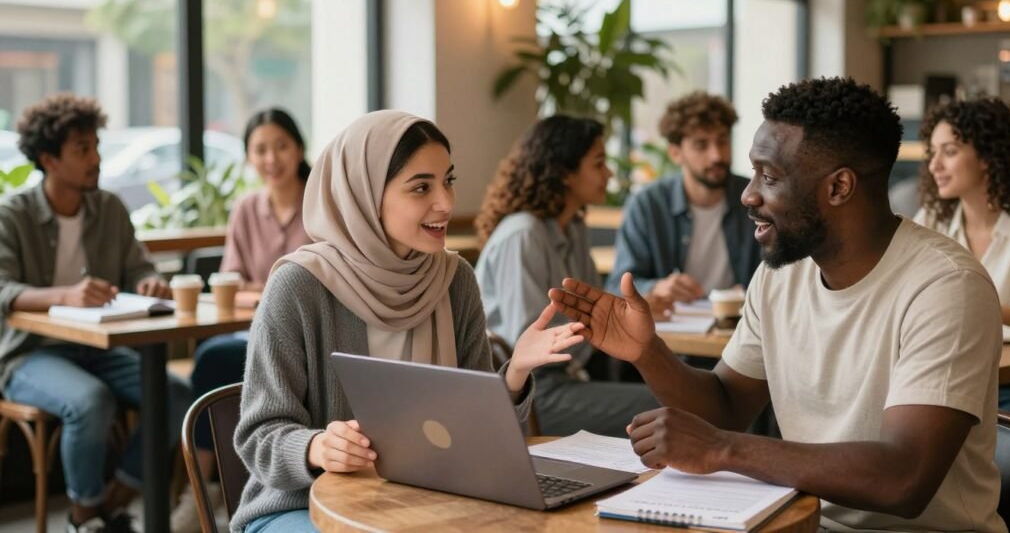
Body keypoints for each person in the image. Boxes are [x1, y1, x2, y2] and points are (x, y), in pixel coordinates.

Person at [549, 77, 1006, 532]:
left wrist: (725, 449)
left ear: (839, 187)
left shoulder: (946, 286)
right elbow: (725, 406)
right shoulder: (780, 274)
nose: (748, 194)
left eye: (769, 176)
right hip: (800, 523)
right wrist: (648, 353)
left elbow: (903, 478)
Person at [232, 110, 584, 533]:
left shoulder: (454, 280)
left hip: (423, 501)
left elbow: (475, 434)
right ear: (364, 195)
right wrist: (317, 446)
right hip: (301, 506)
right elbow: (259, 435)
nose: (447, 203)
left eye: (448, 180)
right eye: (421, 188)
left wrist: (515, 374)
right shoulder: (299, 286)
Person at [0, 93, 191, 533]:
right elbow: (3, 289)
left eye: (96, 146)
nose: (96, 158)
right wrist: (65, 295)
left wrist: (148, 281)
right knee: (90, 402)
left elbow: (138, 265)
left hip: (99, 347)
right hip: (31, 354)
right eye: (82, 150)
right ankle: (84, 516)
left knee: (176, 395)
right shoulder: (14, 215)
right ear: (48, 159)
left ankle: (113, 501)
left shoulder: (108, 207)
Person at [172, 108, 313, 533]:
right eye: (260, 150)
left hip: (305, 336)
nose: (272, 158)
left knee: (214, 358)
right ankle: (212, 489)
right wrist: (267, 289)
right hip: (251, 330)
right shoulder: (246, 208)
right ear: (249, 157)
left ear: (299, 148)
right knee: (214, 360)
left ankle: (212, 489)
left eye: (281, 146)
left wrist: (263, 288)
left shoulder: (319, 202)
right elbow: (231, 283)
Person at [474, 115, 659, 437]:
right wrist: (602, 322)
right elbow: (528, 344)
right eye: (598, 163)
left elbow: (593, 310)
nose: (609, 173)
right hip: (528, 392)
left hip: (571, 376)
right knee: (673, 408)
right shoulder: (523, 235)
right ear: (564, 173)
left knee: (681, 395)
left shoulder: (572, 227)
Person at [914, 97, 1010, 413]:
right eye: (932, 152)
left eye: (949, 152)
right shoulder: (931, 218)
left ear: (988, 156)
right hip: (942, 374)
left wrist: (961, 303)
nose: (934, 165)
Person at [607, 92, 759, 313]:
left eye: (722, 141)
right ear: (675, 153)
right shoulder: (648, 205)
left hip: (742, 329)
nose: (716, 155)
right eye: (701, 145)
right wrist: (657, 287)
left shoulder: (755, 198)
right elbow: (616, 287)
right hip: (674, 337)